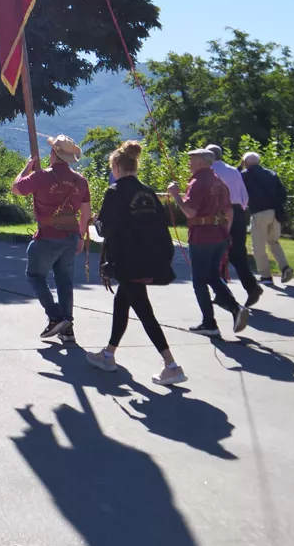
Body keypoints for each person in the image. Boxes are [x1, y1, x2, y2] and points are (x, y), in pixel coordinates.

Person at [84, 141, 186, 385]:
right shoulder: (149, 193)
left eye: (112, 168)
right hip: (152, 257)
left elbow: (108, 229)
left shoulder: (115, 191)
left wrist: (96, 221)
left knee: (143, 311)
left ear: (117, 166)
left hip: (129, 260)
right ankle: (108, 354)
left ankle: (171, 364)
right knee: (122, 303)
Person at [13, 135, 92, 343]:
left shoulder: (41, 176)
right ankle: (67, 329)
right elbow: (86, 213)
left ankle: (56, 316)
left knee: (35, 276)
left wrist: (27, 168)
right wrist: (81, 237)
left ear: (53, 154)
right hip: (71, 235)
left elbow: (16, 188)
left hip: (47, 235)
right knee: (64, 280)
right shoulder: (81, 180)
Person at [169, 148, 250, 335]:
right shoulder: (218, 181)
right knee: (213, 275)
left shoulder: (197, 183)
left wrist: (175, 195)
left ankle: (209, 323)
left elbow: (190, 212)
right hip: (220, 235)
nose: (189, 163)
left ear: (200, 161)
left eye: (192, 159)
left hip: (202, 236)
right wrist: (225, 232)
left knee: (199, 280)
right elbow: (229, 211)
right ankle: (235, 309)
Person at [207, 143, 261, 306]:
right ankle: (249, 286)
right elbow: (244, 196)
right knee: (237, 251)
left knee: (215, 253)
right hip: (237, 211)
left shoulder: (210, 173)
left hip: (219, 211)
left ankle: (222, 291)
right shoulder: (234, 171)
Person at [241, 151, 294, 285]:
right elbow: (283, 193)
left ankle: (265, 276)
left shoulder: (245, 175)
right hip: (275, 213)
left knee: (258, 247)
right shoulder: (271, 174)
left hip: (259, 213)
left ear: (245, 162)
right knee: (273, 242)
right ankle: (285, 267)